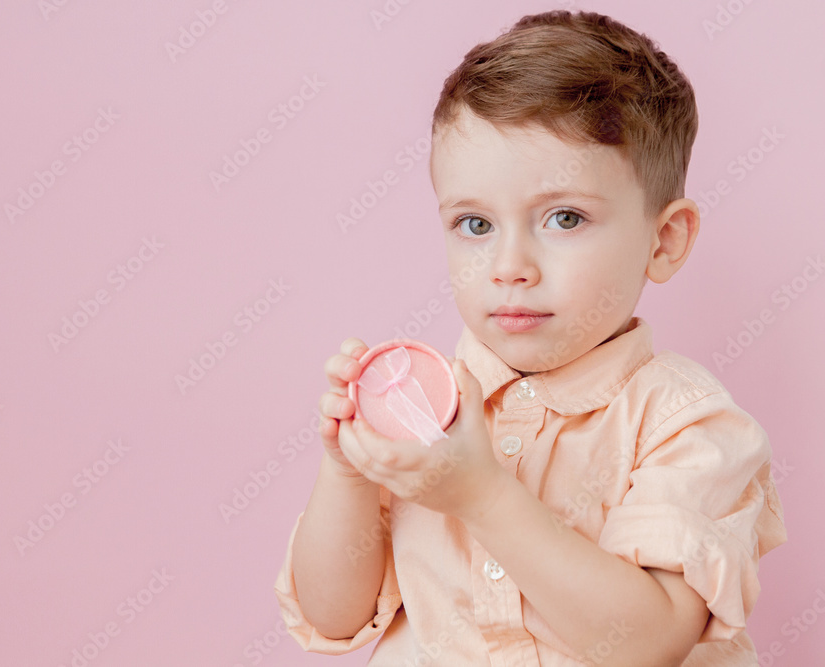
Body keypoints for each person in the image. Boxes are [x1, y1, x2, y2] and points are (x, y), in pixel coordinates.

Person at [274, 9, 786, 665]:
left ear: (663, 240)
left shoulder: (686, 423)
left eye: (564, 217)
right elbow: (332, 618)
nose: (509, 264)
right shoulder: (424, 407)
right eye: (475, 225)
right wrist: (347, 469)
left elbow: (650, 639)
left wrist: (482, 495)